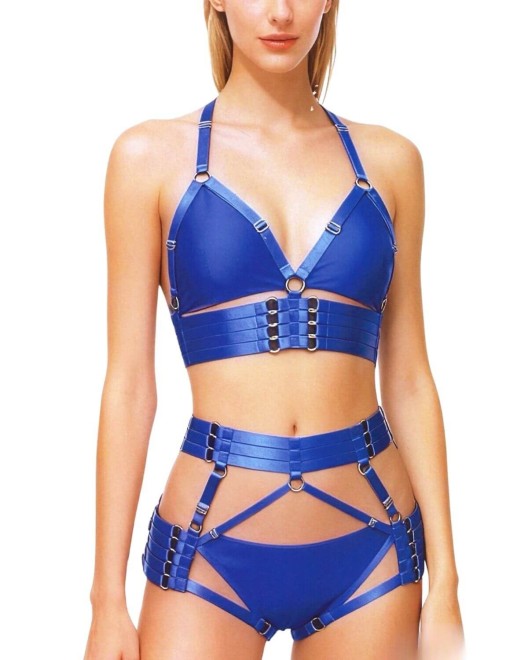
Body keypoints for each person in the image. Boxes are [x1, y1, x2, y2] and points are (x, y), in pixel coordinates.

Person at [84, 1, 464, 658]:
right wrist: (106, 601)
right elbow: (129, 386)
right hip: (207, 552)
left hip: (375, 549)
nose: (281, 12)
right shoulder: (148, 158)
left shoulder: (391, 161)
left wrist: (449, 581)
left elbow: (408, 377)